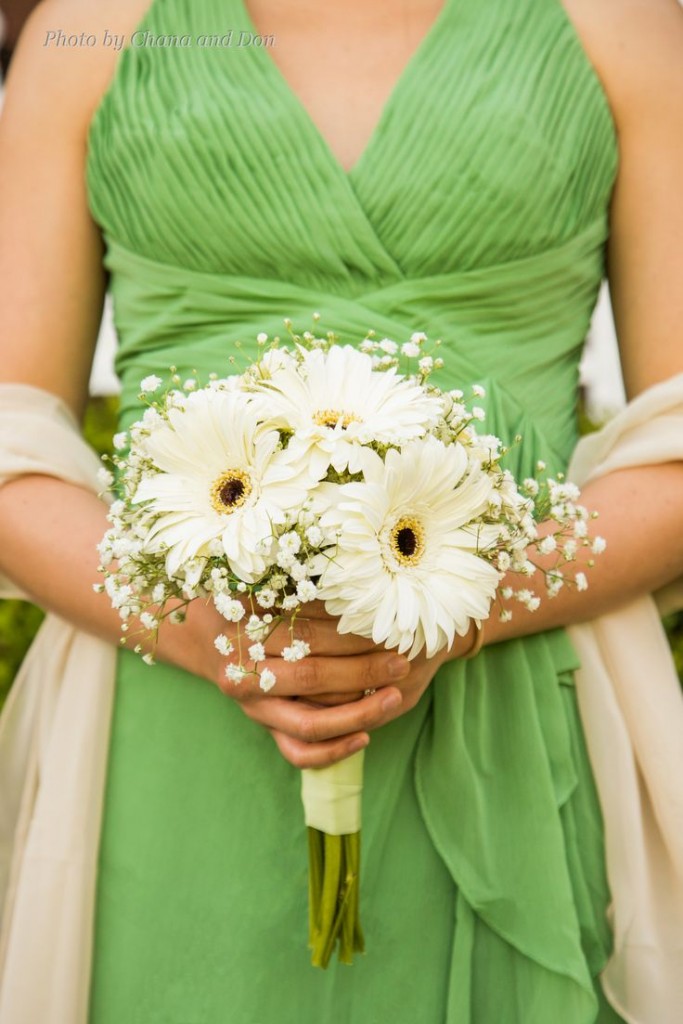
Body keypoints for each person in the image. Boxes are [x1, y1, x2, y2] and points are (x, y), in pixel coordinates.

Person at [0, 0, 682, 1021]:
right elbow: (10, 444)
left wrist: (459, 603)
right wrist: (193, 629)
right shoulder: (89, 30)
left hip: (517, 705)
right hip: (171, 717)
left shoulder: (619, 24)